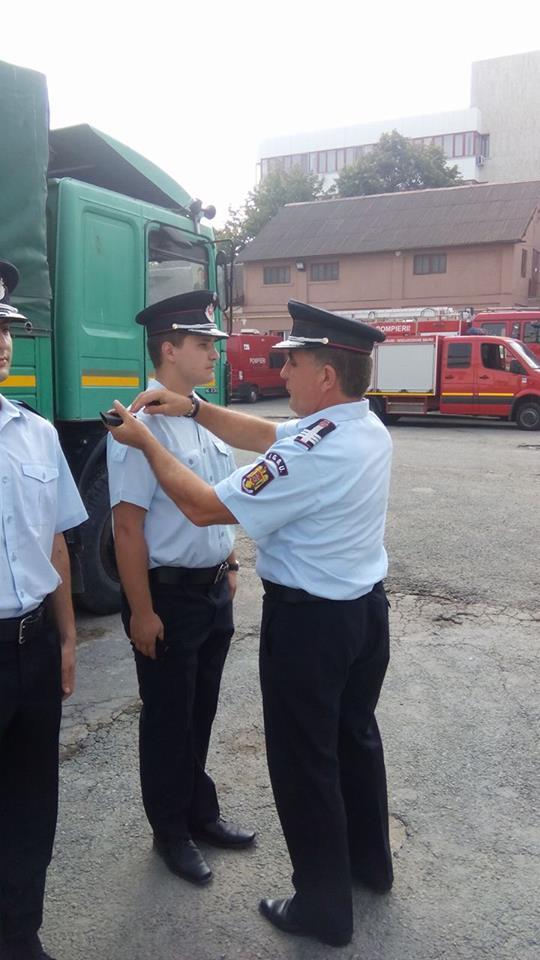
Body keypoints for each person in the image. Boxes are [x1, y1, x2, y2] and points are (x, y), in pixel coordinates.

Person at [106, 299, 394, 948]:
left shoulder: (311, 453)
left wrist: (147, 441)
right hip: (362, 617)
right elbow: (267, 434)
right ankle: (369, 865)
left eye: (293, 363)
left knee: (305, 762)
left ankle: (322, 907)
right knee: (355, 740)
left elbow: (206, 506)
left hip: (312, 628)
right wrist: (193, 411)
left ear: (326, 375)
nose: (280, 371)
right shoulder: (363, 426)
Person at [106, 290, 255, 888]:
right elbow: (127, 527)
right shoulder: (137, 427)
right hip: (167, 596)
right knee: (169, 717)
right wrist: (141, 611)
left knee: (201, 709)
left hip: (213, 590)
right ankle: (170, 830)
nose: (215, 353)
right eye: (203, 344)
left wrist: (232, 560)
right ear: (169, 349)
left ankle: (199, 812)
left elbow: (217, 501)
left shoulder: (202, 417)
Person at [0, 261, 88, 960]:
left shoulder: (36, 433)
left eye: (5, 327)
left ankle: (19, 932)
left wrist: (66, 637)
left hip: (30, 647)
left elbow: (54, 540)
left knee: (31, 803)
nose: (4, 342)